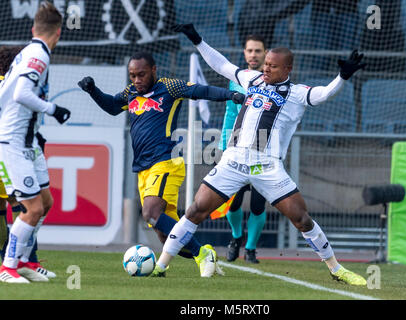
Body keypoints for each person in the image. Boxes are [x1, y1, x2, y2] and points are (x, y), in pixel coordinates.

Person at [153, 23, 367, 286]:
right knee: (196, 210)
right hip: (233, 160)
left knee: (301, 218)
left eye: (272, 66)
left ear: (287, 69)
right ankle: (160, 266)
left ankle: (336, 269)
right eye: (265, 63)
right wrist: (198, 39)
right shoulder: (251, 79)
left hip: (266, 166)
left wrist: (342, 77)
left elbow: (323, 95)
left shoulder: (297, 94)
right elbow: (221, 65)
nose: (265, 68)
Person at [78, 51, 245, 277]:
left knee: (150, 213)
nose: (137, 80)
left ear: (154, 71)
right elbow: (112, 107)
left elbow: (199, 91)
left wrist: (229, 95)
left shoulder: (169, 87)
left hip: (166, 163)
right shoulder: (130, 93)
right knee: (167, 236)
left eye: (141, 75)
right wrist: (93, 91)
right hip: (143, 169)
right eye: (132, 75)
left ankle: (201, 255)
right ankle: (205, 252)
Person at [0, 2, 70, 284]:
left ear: (33, 29)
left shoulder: (28, 52)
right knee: (33, 208)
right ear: (59, 32)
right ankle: (7, 268)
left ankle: (26, 261)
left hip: (26, 143)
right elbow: (21, 94)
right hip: (13, 142)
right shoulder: (39, 54)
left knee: (46, 202)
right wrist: (53, 109)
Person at [0, 45, 56, 279]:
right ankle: (11, 264)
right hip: (8, 148)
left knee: (34, 205)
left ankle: (23, 261)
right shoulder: (11, 84)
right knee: (25, 206)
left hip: (21, 146)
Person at [220, 34, 268, 264]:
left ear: (266, 54)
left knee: (258, 204)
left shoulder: (274, 81)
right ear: (244, 53)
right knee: (234, 201)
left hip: (262, 148)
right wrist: (223, 146)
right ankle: (236, 238)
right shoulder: (234, 78)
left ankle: (250, 249)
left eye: (258, 51)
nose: (253, 55)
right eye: (249, 51)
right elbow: (229, 116)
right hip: (235, 147)